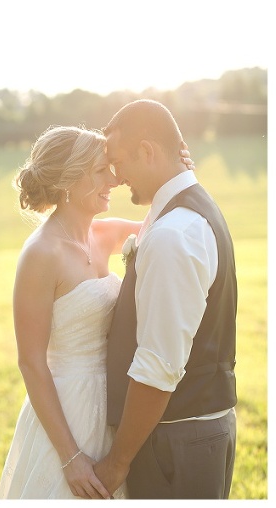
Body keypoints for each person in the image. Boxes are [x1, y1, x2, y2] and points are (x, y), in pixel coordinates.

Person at [0, 125, 194, 499]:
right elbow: (31, 364)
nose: (115, 180)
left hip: (115, 405)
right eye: (102, 170)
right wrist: (70, 457)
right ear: (70, 180)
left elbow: (169, 221)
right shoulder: (41, 255)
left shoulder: (103, 233)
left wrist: (182, 174)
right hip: (67, 411)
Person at [94, 99, 237, 499]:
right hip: (189, 435)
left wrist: (117, 461)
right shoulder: (187, 206)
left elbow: (159, 365)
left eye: (119, 161)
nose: (116, 175)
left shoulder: (173, 234)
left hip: (176, 441)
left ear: (147, 152)